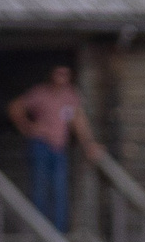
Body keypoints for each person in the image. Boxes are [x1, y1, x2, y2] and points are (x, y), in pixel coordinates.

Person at [6, 65, 107, 232]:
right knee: (40, 187)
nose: (62, 77)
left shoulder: (69, 96)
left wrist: (89, 144)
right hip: (41, 145)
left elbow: (78, 122)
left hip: (58, 148)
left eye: (66, 74)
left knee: (60, 189)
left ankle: (59, 232)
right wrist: (28, 128)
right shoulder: (40, 93)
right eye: (59, 73)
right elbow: (15, 107)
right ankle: (39, 229)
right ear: (52, 75)